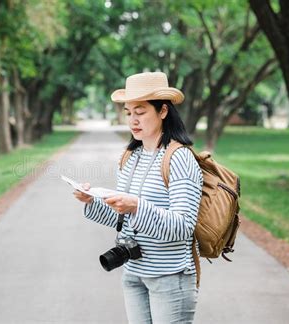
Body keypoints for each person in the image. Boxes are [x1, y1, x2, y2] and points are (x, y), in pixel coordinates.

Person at [73, 71, 203, 324]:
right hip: (133, 273)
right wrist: (92, 201)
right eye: (128, 112)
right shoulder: (130, 157)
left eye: (140, 112)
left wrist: (136, 206)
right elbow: (125, 218)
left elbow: (184, 226)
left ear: (163, 111)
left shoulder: (179, 158)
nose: (133, 120)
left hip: (170, 277)